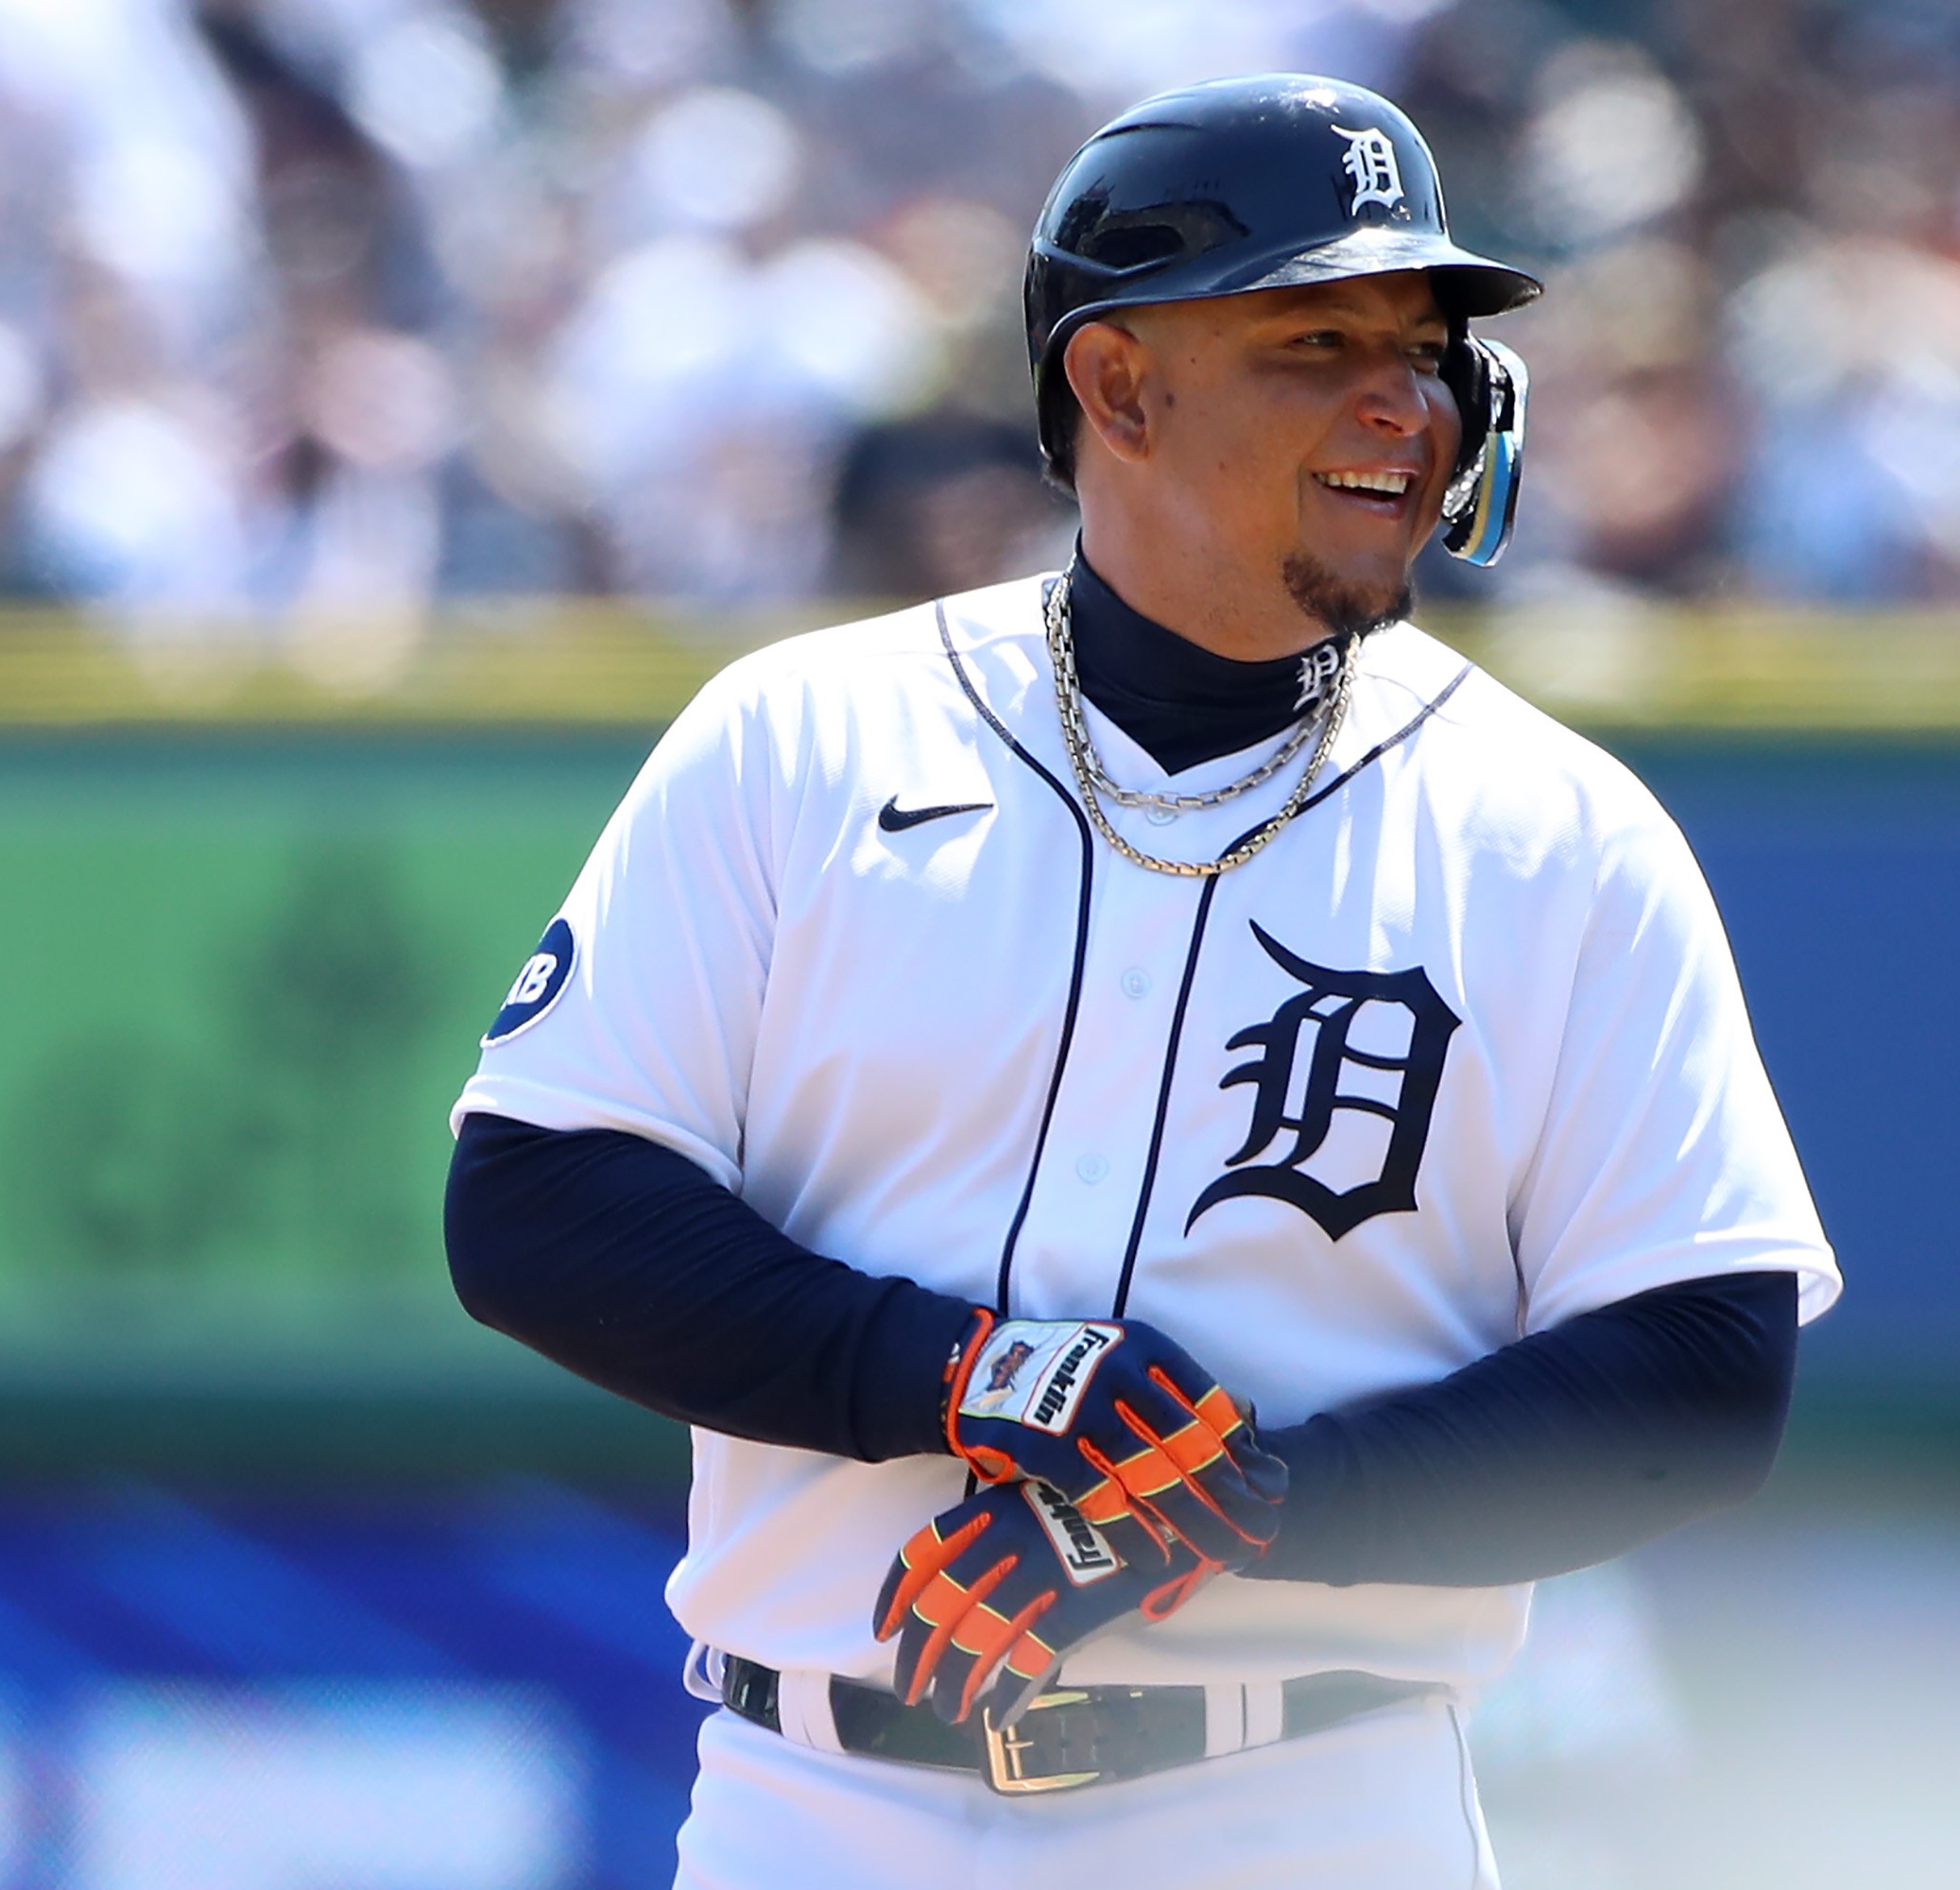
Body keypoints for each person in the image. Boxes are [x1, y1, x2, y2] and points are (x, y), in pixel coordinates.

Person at [444, 72, 1838, 1889]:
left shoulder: (1555, 832)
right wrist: (980, 1375)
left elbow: (1702, 1370)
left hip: (1312, 1805)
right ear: (1117, 384)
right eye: (1314, 336)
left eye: (1425, 348)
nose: (1399, 402)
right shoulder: (800, 738)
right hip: (829, 1802)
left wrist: (1227, 1510)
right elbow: (539, 1205)